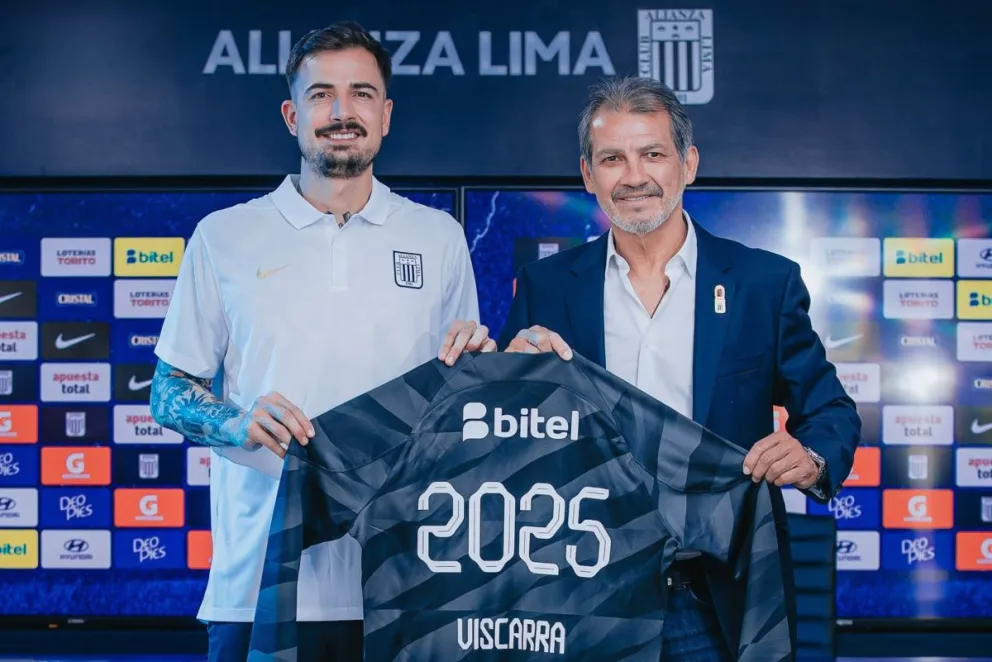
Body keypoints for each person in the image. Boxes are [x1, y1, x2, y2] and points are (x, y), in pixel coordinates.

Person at [149, 22, 491, 662]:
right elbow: (167, 395)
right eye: (321, 94)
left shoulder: (438, 237)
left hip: (404, 587)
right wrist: (237, 421)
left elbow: (457, 401)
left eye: (361, 93)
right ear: (291, 114)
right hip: (259, 585)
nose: (342, 112)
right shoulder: (223, 237)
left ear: (385, 115)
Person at [497, 76, 861, 661]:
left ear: (688, 164)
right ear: (588, 175)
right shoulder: (545, 288)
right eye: (612, 158)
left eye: (653, 154)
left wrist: (812, 457)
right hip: (577, 595)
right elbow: (515, 432)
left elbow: (831, 411)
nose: (634, 175)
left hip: (710, 596)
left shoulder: (763, 285)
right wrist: (508, 385)